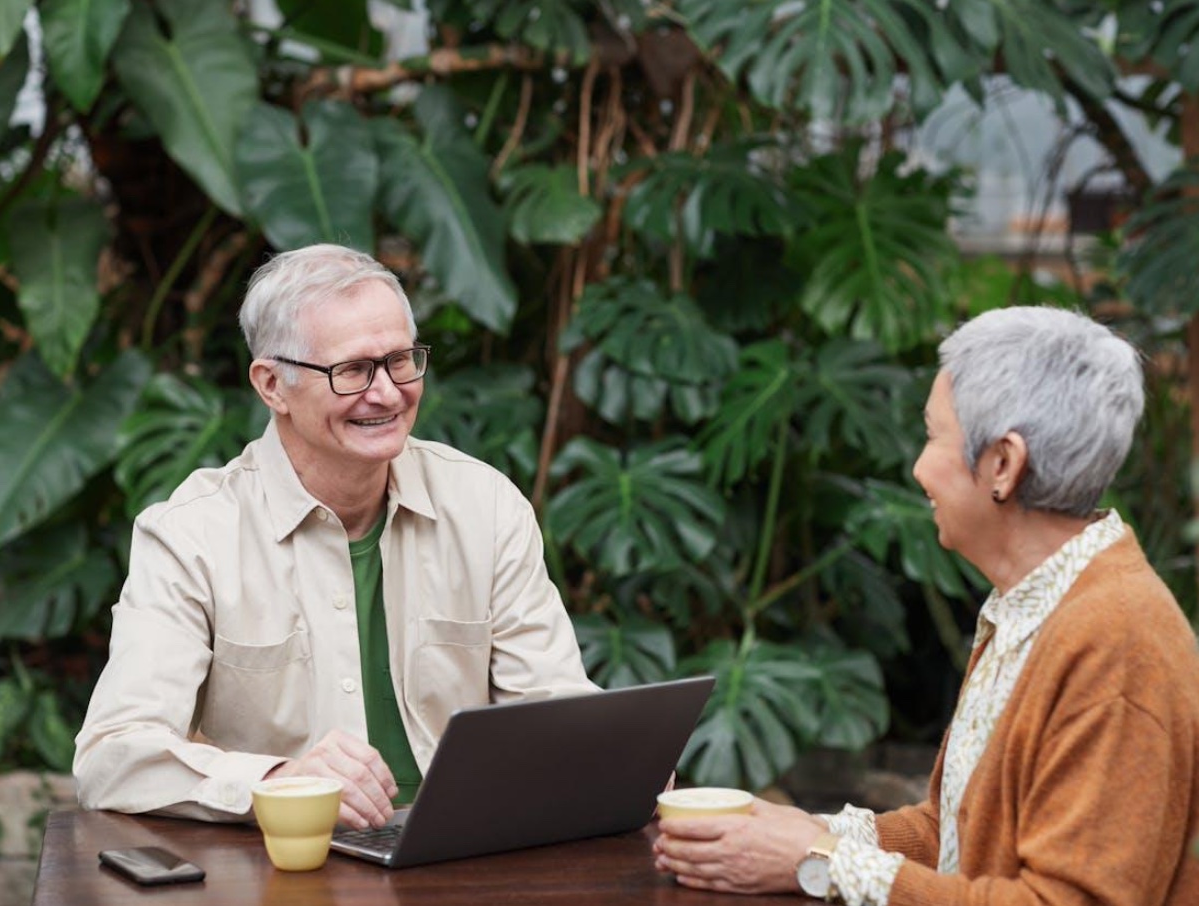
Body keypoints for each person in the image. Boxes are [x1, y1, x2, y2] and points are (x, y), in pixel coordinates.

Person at [653, 306, 1199, 904]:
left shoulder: (1117, 641)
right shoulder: (1035, 603)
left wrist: (824, 864)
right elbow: (951, 834)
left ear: (1002, 464)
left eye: (936, 435)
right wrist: (805, 834)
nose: (919, 468)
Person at [74, 244, 597, 829]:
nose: (389, 392)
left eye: (401, 359)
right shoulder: (191, 536)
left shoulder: (486, 506)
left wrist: (610, 754)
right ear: (272, 385)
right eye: (353, 370)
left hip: (464, 852)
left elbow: (553, 710)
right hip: (288, 865)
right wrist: (277, 784)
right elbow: (112, 756)